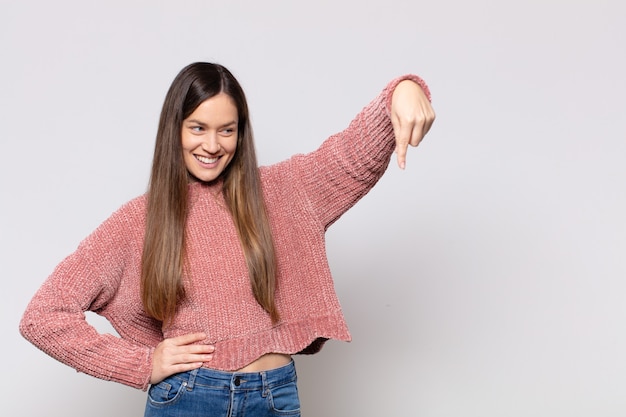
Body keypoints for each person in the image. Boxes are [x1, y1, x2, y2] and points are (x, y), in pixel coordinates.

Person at [20, 62, 435, 416]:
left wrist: (403, 88)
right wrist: (142, 363)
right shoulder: (140, 220)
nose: (212, 145)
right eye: (198, 127)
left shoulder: (286, 190)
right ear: (174, 129)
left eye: (227, 130)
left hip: (274, 396)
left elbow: (351, 156)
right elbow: (43, 317)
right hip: (189, 398)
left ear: (241, 132)